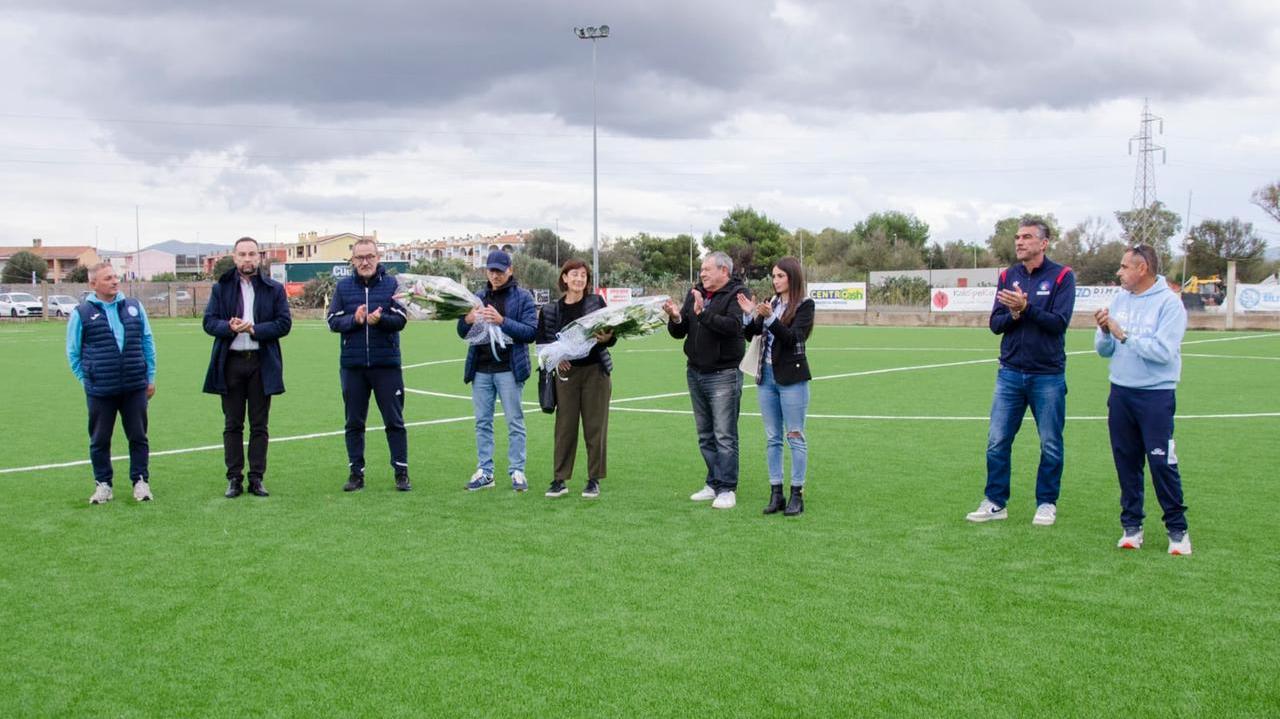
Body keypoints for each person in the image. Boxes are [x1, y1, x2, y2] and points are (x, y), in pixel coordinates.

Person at [967, 216, 1076, 526]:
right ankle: (995, 501)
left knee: (1050, 443)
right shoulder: (1008, 276)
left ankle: (1046, 503)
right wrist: (1014, 313)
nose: (1019, 242)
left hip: (1048, 375)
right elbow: (995, 324)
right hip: (1010, 373)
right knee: (997, 441)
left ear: (1043, 243)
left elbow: (1058, 323)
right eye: (1017, 237)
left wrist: (1027, 309)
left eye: (1027, 237)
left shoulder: (1062, 277)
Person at [1094, 244, 1191, 555]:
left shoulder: (1169, 305)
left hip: (1156, 396)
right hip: (1121, 392)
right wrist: (1105, 333)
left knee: (1162, 462)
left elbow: (1164, 352)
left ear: (1142, 269)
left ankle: (1178, 530)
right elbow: (1103, 350)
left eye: (1124, 267)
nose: (1119, 272)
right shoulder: (1120, 299)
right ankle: (1131, 527)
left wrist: (1124, 336)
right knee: (1126, 461)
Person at [203, 237, 293, 499]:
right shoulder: (221, 288)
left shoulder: (273, 289)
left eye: (252, 254)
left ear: (259, 257)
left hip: (261, 362)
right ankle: (234, 478)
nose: (247, 259)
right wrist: (228, 327)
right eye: (242, 254)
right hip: (230, 363)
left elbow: (283, 324)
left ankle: (256, 478)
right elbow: (209, 322)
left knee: (259, 425)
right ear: (234, 257)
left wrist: (254, 328)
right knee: (232, 424)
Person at [663, 251, 752, 510]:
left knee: (724, 435)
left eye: (707, 269)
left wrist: (703, 314)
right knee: (705, 435)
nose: (702, 273)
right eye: (701, 269)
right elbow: (680, 332)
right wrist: (675, 316)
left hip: (723, 374)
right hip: (695, 372)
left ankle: (727, 488)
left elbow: (735, 328)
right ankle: (713, 483)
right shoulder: (695, 293)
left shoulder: (738, 294)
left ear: (724, 271)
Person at [67, 261, 156, 504]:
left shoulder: (134, 307)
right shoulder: (82, 313)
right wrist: (88, 378)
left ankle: (140, 481)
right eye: (108, 278)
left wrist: (150, 377)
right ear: (93, 283)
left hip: (135, 386)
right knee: (100, 440)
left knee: (138, 436)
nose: (115, 281)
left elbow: (147, 342)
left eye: (116, 277)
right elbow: (73, 353)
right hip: (100, 390)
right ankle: (103, 484)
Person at [327, 238, 411, 492]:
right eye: (360, 258)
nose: (365, 262)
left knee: (394, 421)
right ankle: (356, 474)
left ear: (378, 258)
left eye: (369, 257)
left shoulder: (392, 284)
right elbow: (333, 321)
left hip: (386, 365)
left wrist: (379, 320)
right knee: (354, 422)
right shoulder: (343, 288)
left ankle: (401, 473)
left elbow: (401, 318)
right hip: (353, 367)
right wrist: (355, 319)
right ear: (352, 261)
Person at [534, 259, 617, 499]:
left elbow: (611, 336)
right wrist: (556, 359)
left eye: (583, 275)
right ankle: (559, 479)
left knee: (595, 427)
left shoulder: (596, 303)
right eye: (574, 274)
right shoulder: (551, 310)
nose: (579, 279)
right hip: (566, 375)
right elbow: (542, 346)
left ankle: (593, 480)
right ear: (564, 278)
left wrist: (606, 338)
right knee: (564, 427)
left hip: (595, 372)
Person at [739, 256, 814, 517]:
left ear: (792, 278)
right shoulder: (771, 303)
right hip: (766, 377)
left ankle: (797, 493)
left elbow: (794, 338)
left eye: (780, 276)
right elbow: (751, 334)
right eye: (773, 276)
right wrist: (752, 314)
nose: (775, 280)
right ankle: (776, 493)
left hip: (792, 379)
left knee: (795, 436)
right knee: (772, 438)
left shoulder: (805, 305)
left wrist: (771, 319)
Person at [459, 250, 537, 492]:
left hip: (509, 369)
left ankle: (517, 471)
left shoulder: (523, 297)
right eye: (491, 271)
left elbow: (530, 332)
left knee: (515, 421)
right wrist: (468, 320)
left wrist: (502, 321)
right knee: (482, 422)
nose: (495, 275)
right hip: (481, 369)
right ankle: (485, 471)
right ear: (486, 272)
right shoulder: (477, 297)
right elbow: (462, 332)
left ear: (510, 270)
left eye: (500, 271)